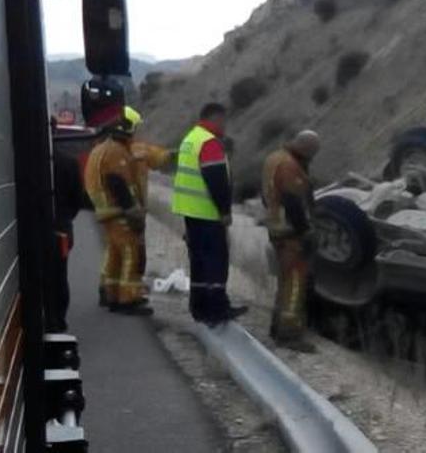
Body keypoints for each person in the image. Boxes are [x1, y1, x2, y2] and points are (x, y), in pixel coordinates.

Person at [172, 103, 248, 326]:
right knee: (215, 261)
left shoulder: (190, 138)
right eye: (224, 120)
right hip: (207, 212)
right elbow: (216, 180)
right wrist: (224, 211)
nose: (225, 126)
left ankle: (199, 308)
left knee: (198, 262)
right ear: (215, 118)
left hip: (190, 212)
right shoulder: (209, 142)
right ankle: (217, 309)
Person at [83, 105, 152, 315]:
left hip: (107, 212)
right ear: (127, 127)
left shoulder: (102, 148)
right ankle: (127, 300)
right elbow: (118, 183)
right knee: (131, 252)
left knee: (114, 253)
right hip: (118, 211)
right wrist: (133, 211)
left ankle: (109, 292)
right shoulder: (116, 152)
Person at [262, 130, 321, 352]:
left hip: (276, 229)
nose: (312, 159)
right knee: (295, 283)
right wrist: (305, 230)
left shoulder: (274, 159)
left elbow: (266, 195)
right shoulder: (290, 166)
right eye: (312, 154)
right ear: (306, 150)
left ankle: (277, 327)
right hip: (290, 233)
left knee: (284, 280)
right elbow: (293, 201)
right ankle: (289, 334)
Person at [125, 106, 175, 280]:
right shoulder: (139, 150)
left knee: (117, 253)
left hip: (117, 210)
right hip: (133, 209)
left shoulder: (106, 149)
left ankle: (111, 290)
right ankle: (130, 293)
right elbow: (161, 158)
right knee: (134, 254)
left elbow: (159, 157)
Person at [48, 117, 87, 332]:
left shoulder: (17, 160)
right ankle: (57, 321)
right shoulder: (68, 163)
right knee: (59, 276)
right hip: (61, 230)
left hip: (28, 231)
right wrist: (64, 219)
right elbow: (78, 200)